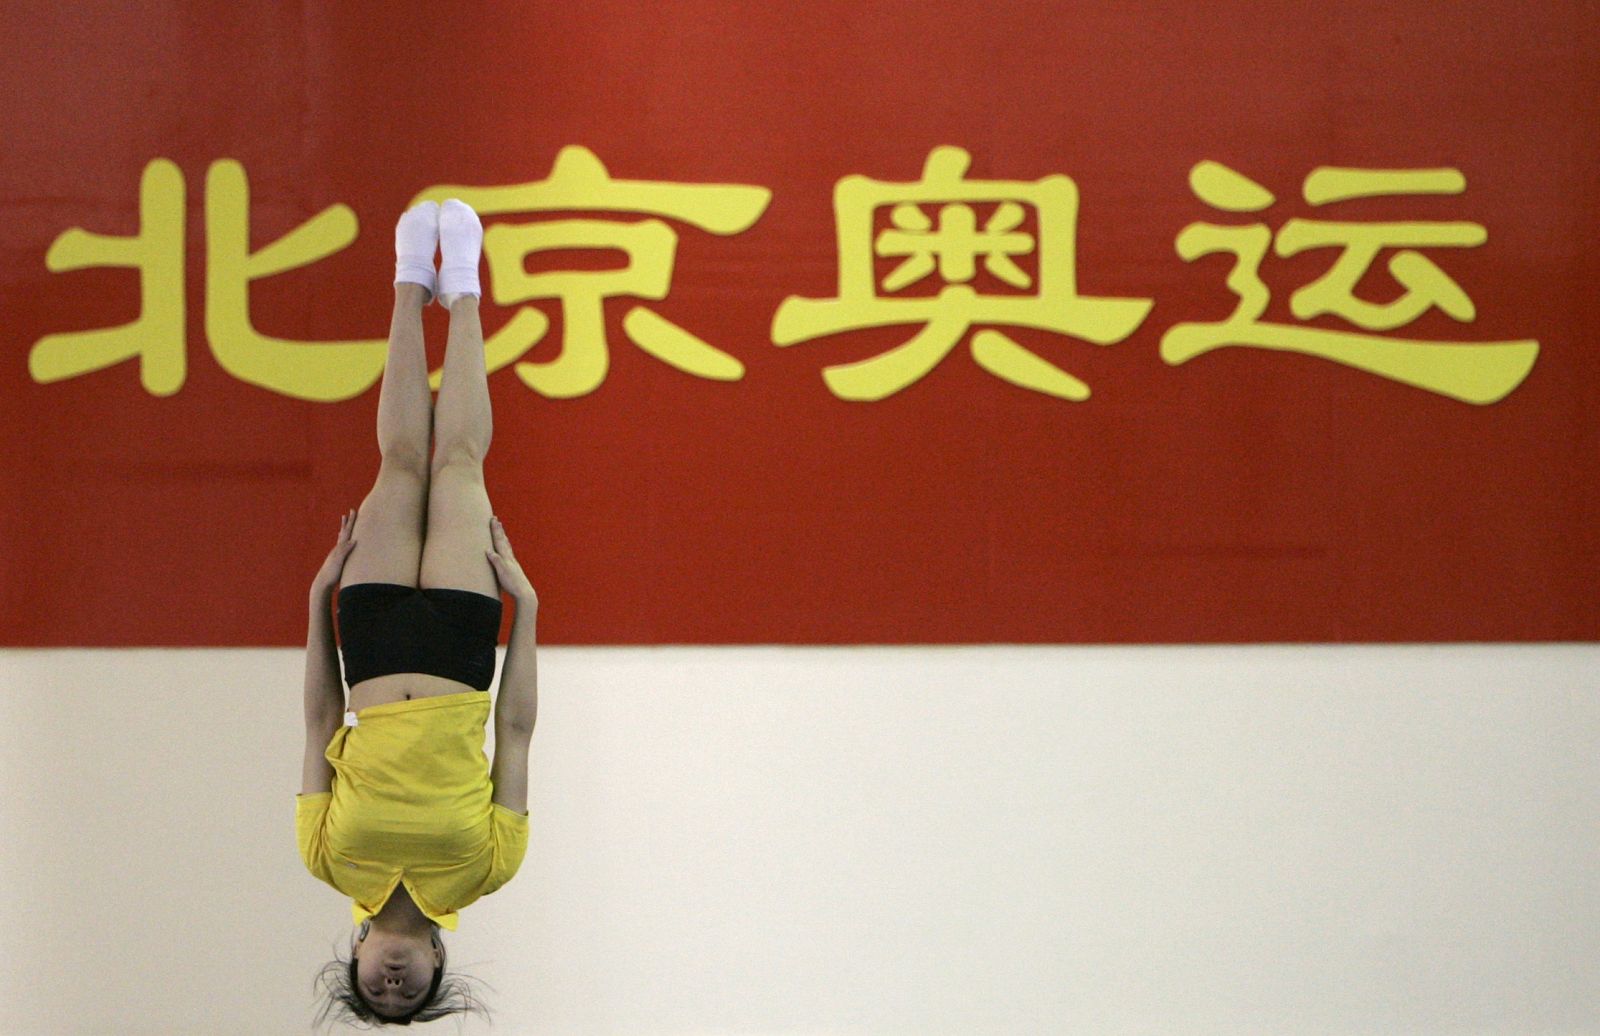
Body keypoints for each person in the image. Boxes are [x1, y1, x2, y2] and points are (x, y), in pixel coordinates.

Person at [295, 199, 540, 1027]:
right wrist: (529, 614)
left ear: (357, 955)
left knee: (400, 462)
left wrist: (315, 602)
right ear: (439, 960)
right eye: (411, 990)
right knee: (460, 463)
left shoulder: (326, 858)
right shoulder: (488, 868)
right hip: (463, 653)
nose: (392, 981)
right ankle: (464, 289)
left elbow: (319, 720)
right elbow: (514, 734)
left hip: (366, 647)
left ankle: (408, 284)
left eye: (376, 988)